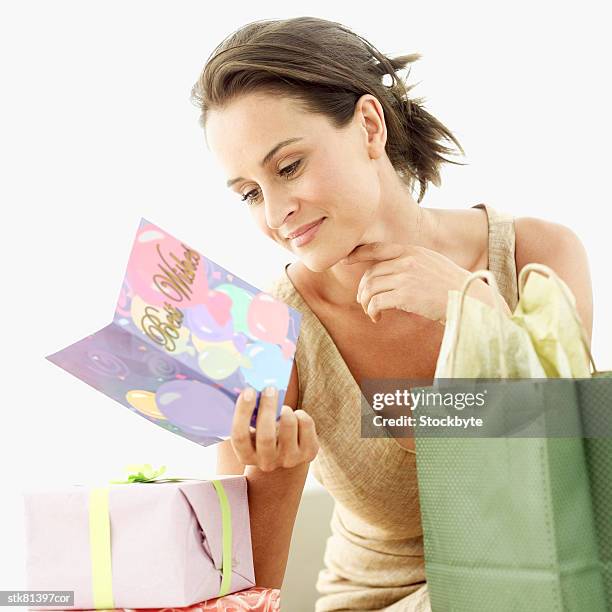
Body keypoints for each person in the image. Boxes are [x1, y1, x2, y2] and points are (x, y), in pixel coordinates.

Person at [190, 16, 594, 611]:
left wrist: (478, 312)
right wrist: (272, 478)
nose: (275, 213)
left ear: (369, 126)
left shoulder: (536, 256)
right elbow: (239, 598)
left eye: (289, 167)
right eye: (249, 193)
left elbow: (574, 469)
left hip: (550, 583)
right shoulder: (264, 329)